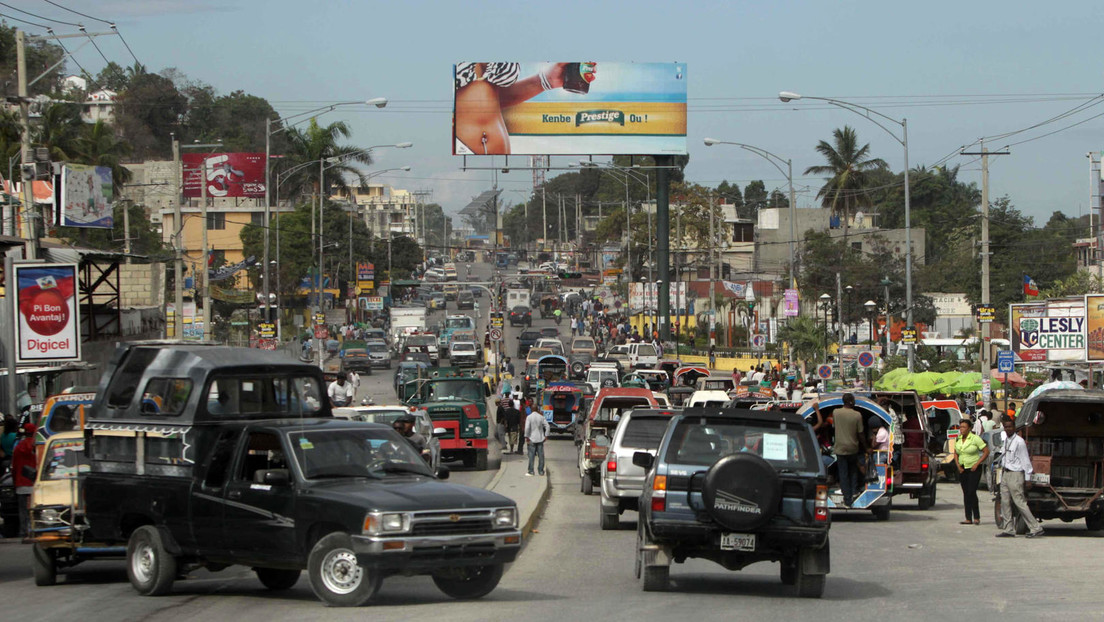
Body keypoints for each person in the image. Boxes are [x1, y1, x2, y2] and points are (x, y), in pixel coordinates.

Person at [996, 417, 1044, 538]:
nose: (1008, 429)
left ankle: (1035, 527)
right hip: (1006, 473)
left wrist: (1027, 478)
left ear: (1014, 427)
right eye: (1006, 427)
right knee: (1005, 502)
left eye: (1010, 427)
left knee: (1019, 502)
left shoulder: (1019, 441)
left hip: (1016, 475)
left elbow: (1025, 460)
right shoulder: (1006, 440)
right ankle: (1008, 529)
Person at [954, 418, 990, 526]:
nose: (961, 429)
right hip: (962, 468)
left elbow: (986, 451)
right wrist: (958, 465)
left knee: (971, 492)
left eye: (964, 427)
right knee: (966, 493)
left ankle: (977, 517)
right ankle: (968, 517)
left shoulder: (975, 439)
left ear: (969, 428)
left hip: (974, 469)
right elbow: (955, 453)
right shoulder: (958, 439)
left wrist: (977, 463)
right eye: (960, 427)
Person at [832, 393, 866, 507]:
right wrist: (866, 447)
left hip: (840, 448)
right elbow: (860, 433)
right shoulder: (857, 415)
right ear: (851, 401)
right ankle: (854, 491)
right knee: (853, 471)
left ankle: (847, 498)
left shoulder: (836, 412)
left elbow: (833, 427)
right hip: (853, 448)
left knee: (843, 473)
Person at [12, 422, 37, 538]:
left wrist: (15, 482)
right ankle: (35, 529)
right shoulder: (37, 447)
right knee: (34, 509)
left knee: (22, 510)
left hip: (21, 483)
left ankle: (23, 531)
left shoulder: (17, 448)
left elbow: (15, 467)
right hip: (35, 483)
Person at [524, 404, 550, 476]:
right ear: (537, 409)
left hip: (532, 438)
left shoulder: (529, 417)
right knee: (541, 456)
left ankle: (531, 471)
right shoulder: (541, 417)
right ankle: (541, 471)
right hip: (540, 439)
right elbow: (547, 426)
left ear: (532, 409)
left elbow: (527, 428)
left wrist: (526, 436)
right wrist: (546, 435)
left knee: (531, 456)